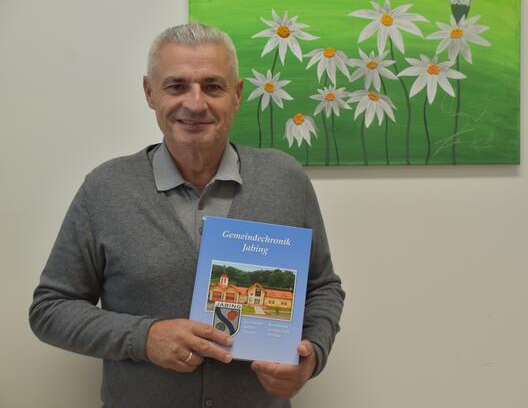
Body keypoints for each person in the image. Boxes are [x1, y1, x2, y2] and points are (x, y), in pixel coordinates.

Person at [29, 22, 345, 408]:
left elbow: (322, 286)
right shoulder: (105, 189)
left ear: (237, 94)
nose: (195, 104)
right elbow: (50, 309)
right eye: (176, 86)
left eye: (213, 86)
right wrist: (145, 337)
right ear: (150, 93)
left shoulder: (285, 179)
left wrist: (312, 354)